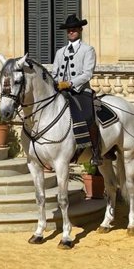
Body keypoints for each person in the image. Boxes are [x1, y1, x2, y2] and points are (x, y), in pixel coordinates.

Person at [52, 13, 104, 166]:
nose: (71, 32)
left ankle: (96, 151)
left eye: (74, 29)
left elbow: (87, 73)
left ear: (80, 30)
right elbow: (55, 73)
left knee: (88, 116)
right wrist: (56, 83)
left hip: (80, 90)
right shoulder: (60, 52)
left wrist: (70, 83)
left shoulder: (88, 50)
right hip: (61, 90)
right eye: (68, 30)